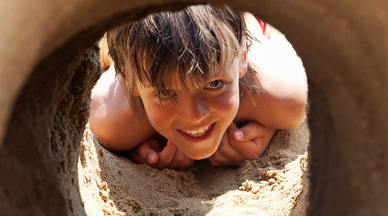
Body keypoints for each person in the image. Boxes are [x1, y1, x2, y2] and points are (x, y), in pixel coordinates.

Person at [89, 5, 307, 169]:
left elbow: (294, 53)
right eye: (165, 92)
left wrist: (271, 127)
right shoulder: (110, 119)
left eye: (214, 84)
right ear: (131, 81)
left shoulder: (280, 95)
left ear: (242, 59)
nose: (194, 116)